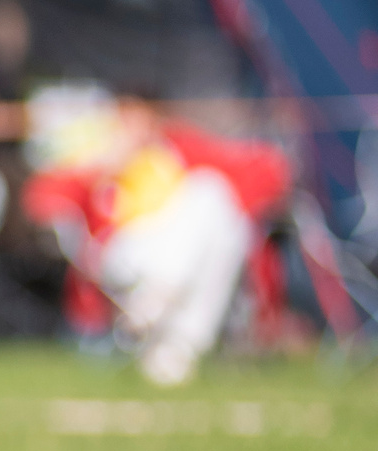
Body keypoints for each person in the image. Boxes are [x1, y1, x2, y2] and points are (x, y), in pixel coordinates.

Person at [22, 91, 286, 386]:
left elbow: (270, 172)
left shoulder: (176, 149)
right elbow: (40, 200)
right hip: (120, 254)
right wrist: (101, 169)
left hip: (179, 256)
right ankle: (179, 340)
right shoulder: (98, 155)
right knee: (215, 208)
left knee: (214, 199)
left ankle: (165, 327)